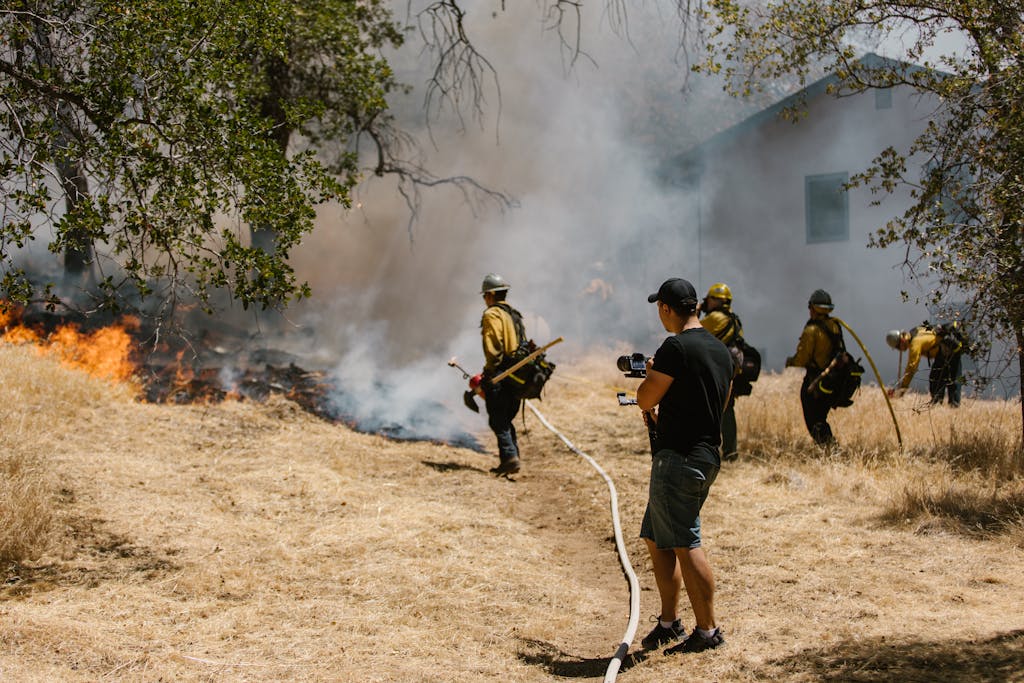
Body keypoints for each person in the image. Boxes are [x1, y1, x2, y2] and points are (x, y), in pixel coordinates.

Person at [636, 277, 734, 655]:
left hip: (678, 457)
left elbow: (645, 398)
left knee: (684, 542)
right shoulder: (720, 349)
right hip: (706, 453)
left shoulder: (673, 348)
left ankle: (708, 632)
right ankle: (668, 622)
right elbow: (717, 404)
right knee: (656, 534)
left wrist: (650, 374)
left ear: (666, 308)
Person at [479, 273, 524, 475]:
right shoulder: (514, 314)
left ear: (489, 295)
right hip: (517, 374)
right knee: (505, 418)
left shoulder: (492, 314)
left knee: (497, 418)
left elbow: (494, 346)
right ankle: (512, 457)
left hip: (500, 373)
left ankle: (510, 458)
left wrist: (489, 372)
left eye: (484, 296)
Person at [785, 289, 841, 446]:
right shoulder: (834, 325)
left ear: (813, 308)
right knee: (821, 417)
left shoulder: (812, 330)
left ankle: (829, 447)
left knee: (814, 419)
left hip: (815, 382)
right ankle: (830, 448)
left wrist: (790, 361)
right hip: (831, 380)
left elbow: (802, 358)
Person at [699, 282, 743, 461]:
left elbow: (689, 332)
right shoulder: (734, 318)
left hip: (713, 370)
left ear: (715, 300)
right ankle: (731, 451)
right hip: (728, 371)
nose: (706, 303)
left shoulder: (714, 318)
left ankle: (705, 449)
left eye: (708, 300)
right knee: (727, 411)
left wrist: (696, 312)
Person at [885, 325, 962, 406]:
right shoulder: (915, 331)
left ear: (902, 340)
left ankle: (941, 403)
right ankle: (950, 404)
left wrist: (902, 389)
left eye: (898, 347)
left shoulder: (915, 344)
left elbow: (911, 368)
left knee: (937, 378)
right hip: (950, 349)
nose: (900, 350)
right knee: (949, 377)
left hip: (945, 351)